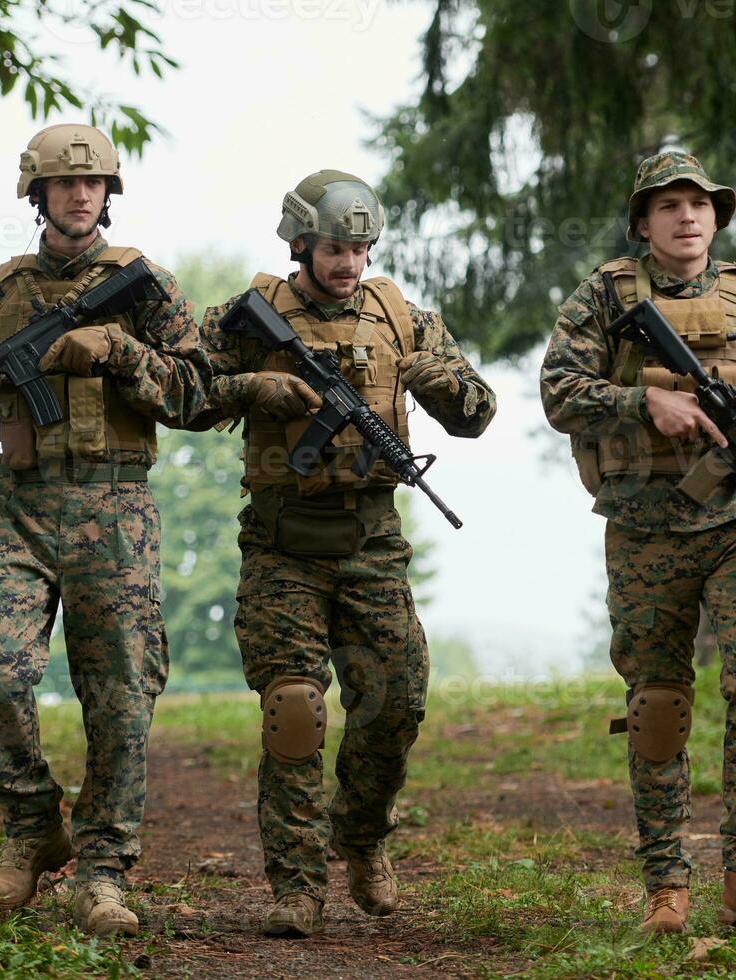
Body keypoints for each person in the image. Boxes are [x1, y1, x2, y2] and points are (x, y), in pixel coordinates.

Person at [192, 170, 496, 937]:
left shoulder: (401, 317)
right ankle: (295, 886)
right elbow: (179, 392)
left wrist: (445, 383)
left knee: (396, 703)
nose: (347, 262)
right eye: (333, 247)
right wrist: (250, 389)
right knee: (294, 708)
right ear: (301, 243)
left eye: (360, 248)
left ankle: (359, 839)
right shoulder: (246, 316)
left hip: (371, 542)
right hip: (281, 543)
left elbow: (477, 413)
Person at [0, 123, 207, 936]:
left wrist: (119, 354)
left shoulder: (144, 284)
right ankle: (30, 825)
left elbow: (200, 394)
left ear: (109, 195)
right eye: (63, 185)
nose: (80, 195)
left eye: (92, 185)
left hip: (114, 511)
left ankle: (102, 870)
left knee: (121, 693)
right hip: (19, 506)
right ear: (38, 195)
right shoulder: (0, 291)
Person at [538, 150, 736, 935]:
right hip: (642, 528)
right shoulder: (601, 296)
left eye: (698, 203)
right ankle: (666, 884)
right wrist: (642, 402)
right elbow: (558, 392)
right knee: (657, 702)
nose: (685, 216)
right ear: (642, 222)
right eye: (667, 205)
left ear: (716, 217)